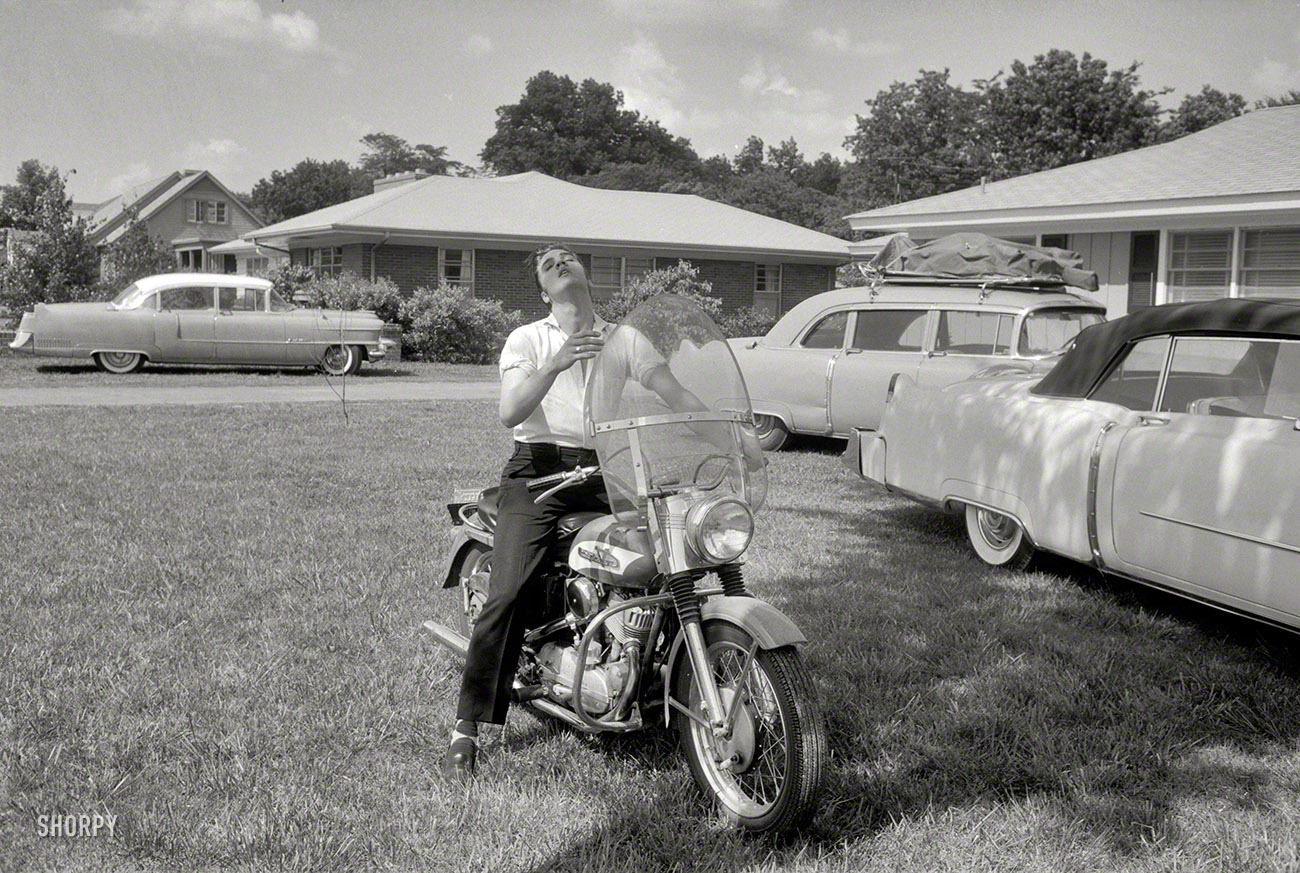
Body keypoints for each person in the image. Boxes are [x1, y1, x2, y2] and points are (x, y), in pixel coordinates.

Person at [444, 244, 698, 779]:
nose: (559, 261)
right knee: (508, 591)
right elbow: (510, 410)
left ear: (585, 274)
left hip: (604, 468)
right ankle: (465, 727)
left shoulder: (624, 339)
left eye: (567, 257)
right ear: (543, 291)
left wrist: (729, 430)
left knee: (668, 560)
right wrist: (557, 363)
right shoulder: (528, 339)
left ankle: (654, 670)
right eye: (546, 263)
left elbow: (673, 392)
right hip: (537, 471)